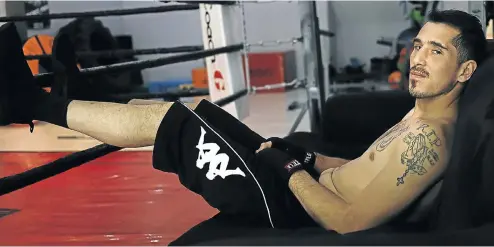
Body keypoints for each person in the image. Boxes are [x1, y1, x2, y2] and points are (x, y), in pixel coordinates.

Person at [0, 9, 487, 236]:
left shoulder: (434, 139)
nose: (416, 58)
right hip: (302, 183)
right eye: (418, 44)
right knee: (198, 111)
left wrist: (290, 170)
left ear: (465, 70)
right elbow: (365, 169)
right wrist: (310, 158)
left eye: (435, 50)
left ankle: (30, 104)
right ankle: (85, 97)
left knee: (180, 124)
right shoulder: (421, 111)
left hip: (289, 206)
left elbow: (348, 220)